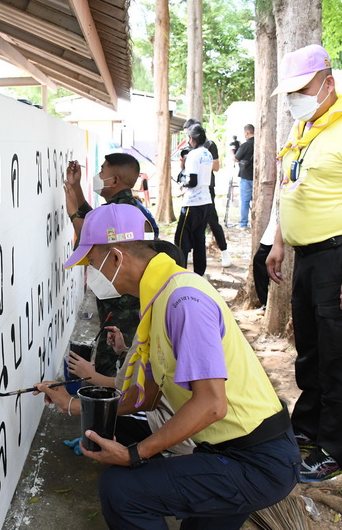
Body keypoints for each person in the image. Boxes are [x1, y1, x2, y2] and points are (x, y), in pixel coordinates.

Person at [38, 203, 300, 529]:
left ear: (116, 258)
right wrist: (73, 405)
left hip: (255, 460)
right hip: (221, 450)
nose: (90, 276)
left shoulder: (183, 301)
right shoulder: (158, 299)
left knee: (121, 491)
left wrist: (134, 454)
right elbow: (144, 398)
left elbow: (212, 404)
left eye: (91, 264)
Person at [266, 44, 342, 481]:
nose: (295, 99)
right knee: (311, 351)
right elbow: (290, 187)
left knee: (341, 355)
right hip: (308, 258)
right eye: (291, 92)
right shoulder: (303, 128)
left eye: (302, 89)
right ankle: (308, 428)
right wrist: (278, 242)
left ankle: (337, 449)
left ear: (328, 83)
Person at [65, 153, 157, 377]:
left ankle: (111, 394)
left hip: (123, 306)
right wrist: (76, 189)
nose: (98, 175)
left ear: (114, 180)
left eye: (102, 170)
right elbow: (95, 222)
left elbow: (93, 238)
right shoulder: (124, 208)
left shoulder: (125, 211)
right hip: (119, 303)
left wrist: (73, 214)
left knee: (116, 363)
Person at [66, 325, 195, 454]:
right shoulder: (158, 321)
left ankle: (146, 459)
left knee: (108, 417)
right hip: (186, 419)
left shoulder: (155, 322)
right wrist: (124, 351)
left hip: (186, 432)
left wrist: (71, 403)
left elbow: (125, 389)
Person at [182, 118, 232, 267]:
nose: (188, 139)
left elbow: (216, 166)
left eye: (189, 135)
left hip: (206, 189)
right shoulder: (188, 148)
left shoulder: (209, 146)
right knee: (190, 225)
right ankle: (189, 253)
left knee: (212, 221)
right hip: (190, 191)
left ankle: (224, 252)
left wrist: (199, 162)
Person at [174, 124, 214, 276]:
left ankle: (180, 272)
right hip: (206, 202)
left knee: (181, 240)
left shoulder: (193, 155)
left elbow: (192, 181)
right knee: (199, 240)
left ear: (191, 139)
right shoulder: (208, 154)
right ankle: (199, 274)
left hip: (192, 203)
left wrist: (182, 184)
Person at [252, 207, 277, 310]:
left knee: (260, 260)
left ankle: (266, 302)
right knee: (259, 260)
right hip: (273, 227)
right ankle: (265, 302)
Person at [235, 124, 255, 228]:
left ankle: (243, 223)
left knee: (245, 200)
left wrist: (232, 151)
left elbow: (236, 158)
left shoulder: (246, 145)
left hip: (246, 176)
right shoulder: (259, 143)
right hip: (257, 176)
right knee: (256, 200)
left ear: (247, 133)